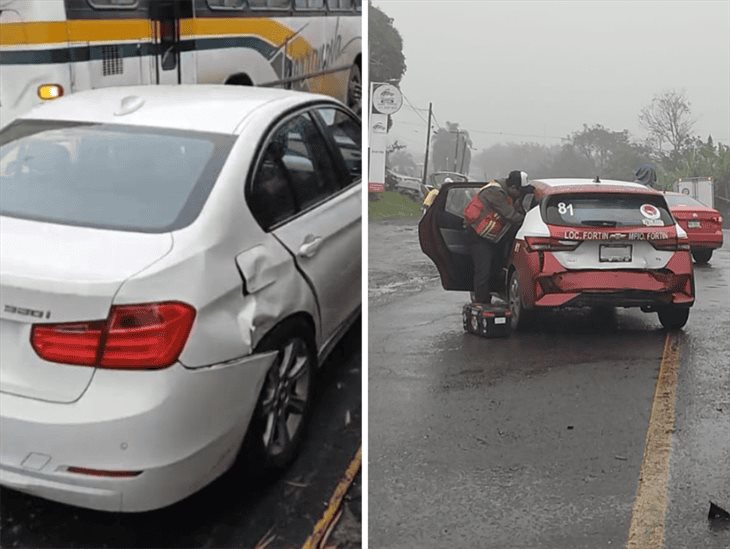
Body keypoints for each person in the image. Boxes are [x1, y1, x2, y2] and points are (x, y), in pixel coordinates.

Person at [464, 170, 528, 304]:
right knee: (483, 271)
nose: (520, 195)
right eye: (520, 192)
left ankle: (491, 292)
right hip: (478, 236)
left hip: (491, 237)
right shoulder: (495, 193)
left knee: (494, 267)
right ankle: (481, 303)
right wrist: (530, 220)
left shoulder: (506, 193)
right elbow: (511, 215)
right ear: (513, 188)